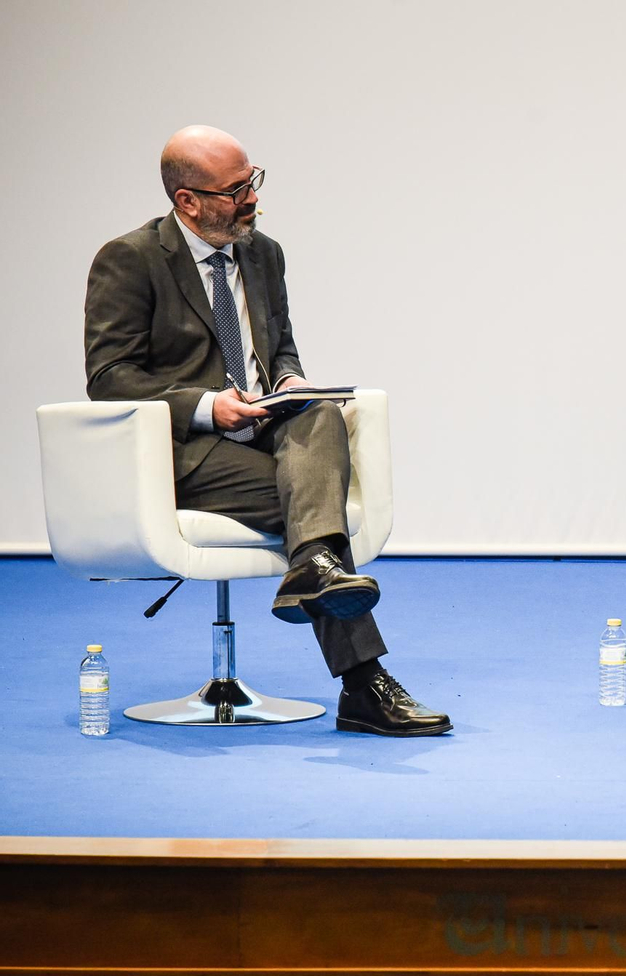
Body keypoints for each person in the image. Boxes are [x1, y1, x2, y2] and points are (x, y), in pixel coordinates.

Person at [83, 125, 451, 737]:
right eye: (234, 190)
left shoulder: (263, 251)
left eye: (252, 181)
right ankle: (362, 682)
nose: (251, 198)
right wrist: (206, 404)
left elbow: (279, 347)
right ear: (187, 201)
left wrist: (288, 383)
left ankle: (314, 570)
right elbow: (110, 376)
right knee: (316, 510)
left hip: (263, 428)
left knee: (321, 412)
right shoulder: (130, 259)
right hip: (190, 449)